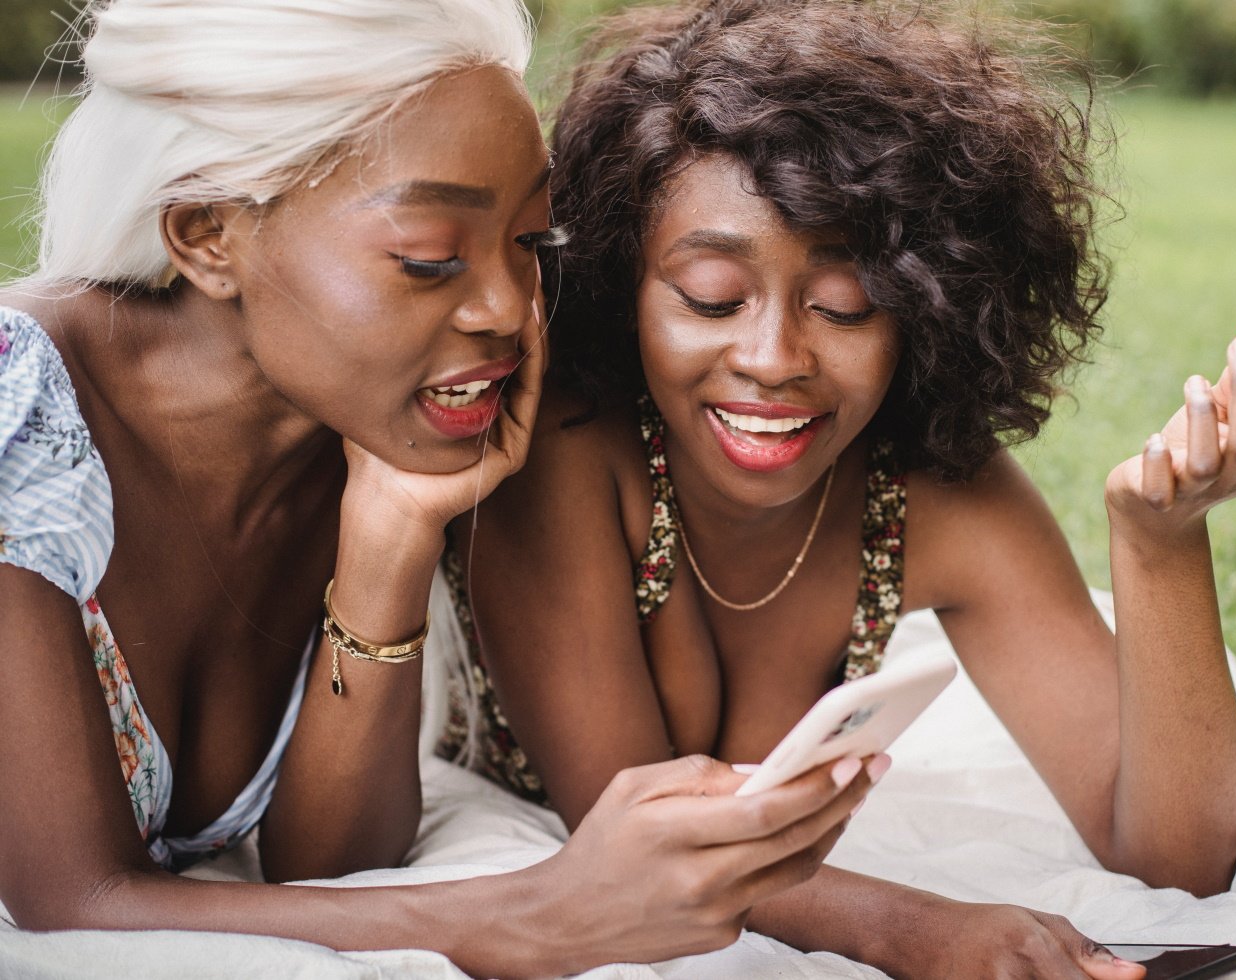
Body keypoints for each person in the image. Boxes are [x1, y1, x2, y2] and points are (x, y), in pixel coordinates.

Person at [0, 1, 873, 975]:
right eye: (429, 257)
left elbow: (330, 864)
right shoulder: (17, 411)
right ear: (207, 235)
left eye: (530, 244)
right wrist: (543, 908)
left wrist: (395, 528)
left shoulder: (360, 423)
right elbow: (66, 900)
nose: (506, 308)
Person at [446, 0, 1236, 977]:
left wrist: (1161, 537)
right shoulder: (560, 448)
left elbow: (1177, 858)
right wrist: (914, 928)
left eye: (845, 305)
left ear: (923, 302)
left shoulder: (936, 493)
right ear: (621, 280)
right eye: (712, 296)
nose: (773, 359)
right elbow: (643, 834)